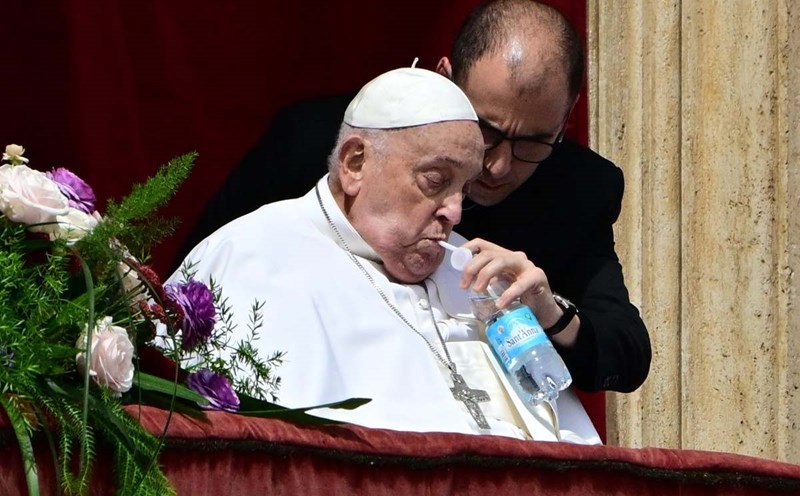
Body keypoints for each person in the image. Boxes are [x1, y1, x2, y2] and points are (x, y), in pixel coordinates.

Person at [178, 0, 650, 395]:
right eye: (485, 130)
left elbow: (626, 352)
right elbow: (204, 282)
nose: (498, 166)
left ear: (566, 122)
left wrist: (549, 309)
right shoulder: (310, 145)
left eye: (532, 143)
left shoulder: (579, 189)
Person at [172, 67, 600, 443]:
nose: (454, 211)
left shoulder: (476, 277)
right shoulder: (251, 258)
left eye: (463, 189)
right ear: (355, 163)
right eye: (435, 180)